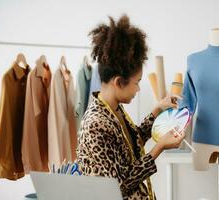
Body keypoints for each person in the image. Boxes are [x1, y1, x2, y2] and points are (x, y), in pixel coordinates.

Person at [76, 15, 186, 200]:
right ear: (119, 82)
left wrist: (157, 110)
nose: (138, 88)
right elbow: (119, 186)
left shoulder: (113, 109)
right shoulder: (96, 124)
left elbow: (132, 143)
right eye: (137, 82)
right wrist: (158, 148)